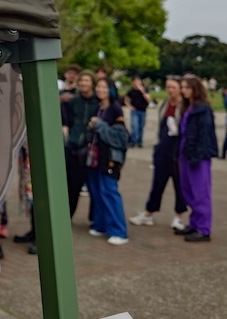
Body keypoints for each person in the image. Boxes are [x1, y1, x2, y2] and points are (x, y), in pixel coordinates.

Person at [129, 77, 187, 231]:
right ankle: (149, 212)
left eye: (174, 87)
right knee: (158, 182)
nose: (170, 90)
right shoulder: (164, 104)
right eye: (168, 87)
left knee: (179, 183)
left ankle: (179, 215)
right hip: (163, 147)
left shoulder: (184, 106)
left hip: (178, 149)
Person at [85, 78, 130, 245]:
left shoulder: (115, 109)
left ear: (110, 90)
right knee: (96, 191)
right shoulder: (98, 107)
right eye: (98, 86)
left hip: (109, 158)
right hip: (95, 156)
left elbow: (120, 138)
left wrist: (99, 125)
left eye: (104, 87)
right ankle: (101, 224)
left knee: (109, 191)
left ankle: (119, 231)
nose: (100, 89)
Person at [175, 75, 218, 242]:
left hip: (198, 155)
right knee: (188, 190)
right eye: (182, 87)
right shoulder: (188, 107)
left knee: (201, 192)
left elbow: (205, 134)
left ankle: (203, 228)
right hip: (185, 151)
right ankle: (194, 223)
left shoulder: (202, 109)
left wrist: (198, 155)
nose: (184, 91)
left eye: (187, 88)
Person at [62, 70, 99, 217]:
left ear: (93, 84)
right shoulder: (73, 102)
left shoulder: (98, 103)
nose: (83, 83)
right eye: (81, 80)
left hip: (90, 149)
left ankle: (94, 218)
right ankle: (66, 216)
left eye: (87, 80)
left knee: (93, 187)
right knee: (71, 186)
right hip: (73, 147)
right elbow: (66, 119)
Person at [124, 76, 152, 148]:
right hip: (135, 111)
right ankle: (133, 141)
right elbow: (126, 99)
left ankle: (139, 141)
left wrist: (142, 91)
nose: (137, 83)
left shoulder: (145, 89)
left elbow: (148, 99)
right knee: (135, 126)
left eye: (138, 81)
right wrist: (130, 106)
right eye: (135, 81)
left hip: (143, 111)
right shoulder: (131, 91)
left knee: (141, 127)